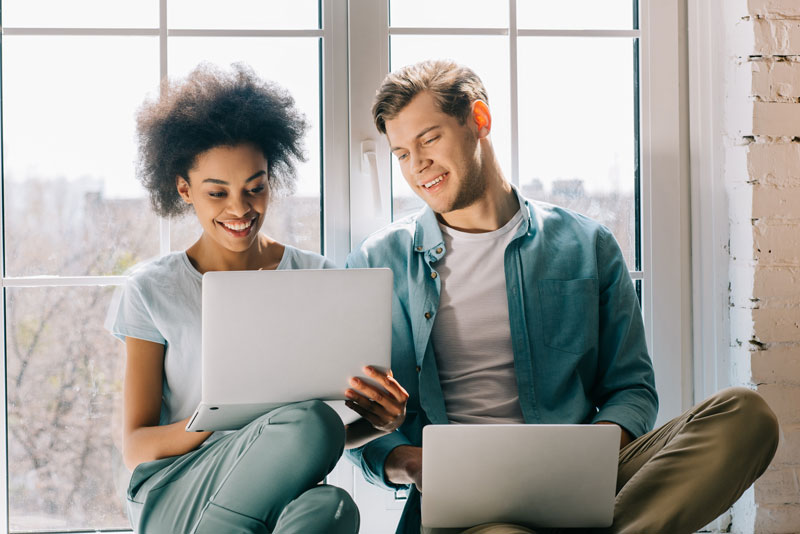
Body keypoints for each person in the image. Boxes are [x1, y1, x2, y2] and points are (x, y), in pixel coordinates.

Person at [344, 59, 780, 534]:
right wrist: (417, 466)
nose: (417, 165)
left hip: (588, 477)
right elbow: (357, 429)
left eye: (429, 139)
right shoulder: (378, 262)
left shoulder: (587, 245)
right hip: (466, 504)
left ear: (479, 120)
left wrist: (578, 465)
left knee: (745, 416)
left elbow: (631, 389)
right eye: (402, 153)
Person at [106, 63, 409, 534]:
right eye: (217, 193)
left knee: (333, 510)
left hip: (280, 492)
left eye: (255, 188)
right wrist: (221, 417)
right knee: (309, 422)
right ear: (184, 190)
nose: (240, 209)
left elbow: (326, 438)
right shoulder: (152, 289)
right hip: (176, 492)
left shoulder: (318, 278)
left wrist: (381, 423)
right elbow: (137, 446)